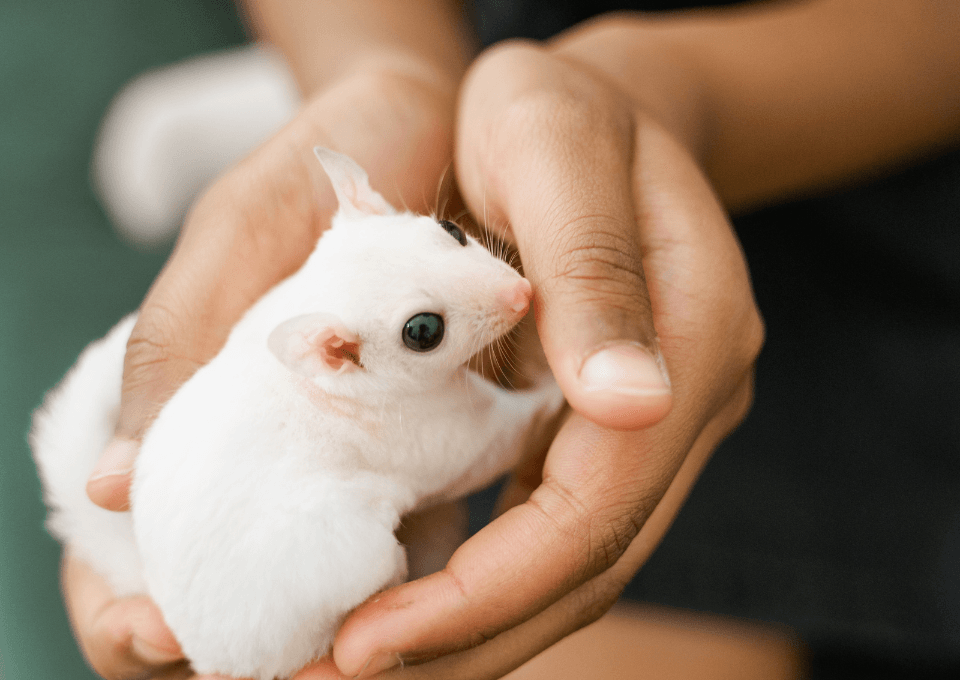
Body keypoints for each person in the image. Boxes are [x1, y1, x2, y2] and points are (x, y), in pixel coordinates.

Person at [65, 1, 960, 678]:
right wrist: (379, 66)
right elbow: (476, 443)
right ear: (337, 353)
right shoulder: (337, 357)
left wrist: (675, 92)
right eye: (423, 329)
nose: (512, 291)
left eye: (445, 236)